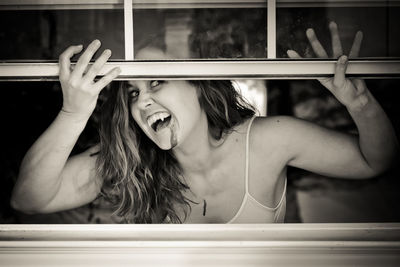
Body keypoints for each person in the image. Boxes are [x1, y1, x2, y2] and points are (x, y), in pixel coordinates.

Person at [10, 22, 398, 223]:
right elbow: (29, 198)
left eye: (156, 81)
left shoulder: (267, 141)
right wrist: (73, 113)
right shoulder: (131, 163)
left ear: (199, 84)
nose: (142, 100)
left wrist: (359, 102)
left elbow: (373, 160)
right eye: (131, 93)